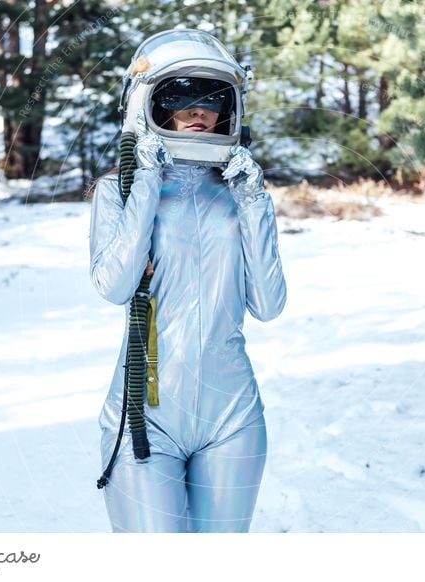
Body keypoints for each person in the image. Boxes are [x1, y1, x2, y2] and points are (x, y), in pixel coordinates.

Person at [87, 52, 287, 532]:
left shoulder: (239, 191)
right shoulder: (118, 191)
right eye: (181, 95)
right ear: (150, 103)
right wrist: (147, 181)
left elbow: (269, 303)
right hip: (144, 418)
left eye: (212, 98)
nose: (199, 111)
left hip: (233, 416)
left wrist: (254, 202)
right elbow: (114, 286)